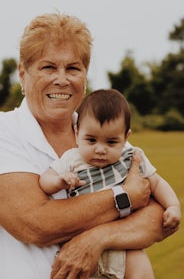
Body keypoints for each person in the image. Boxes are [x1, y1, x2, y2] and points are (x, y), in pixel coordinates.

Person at [0, 12, 180, 279]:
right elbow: (34, 223)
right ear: (22, 73)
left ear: (85, 77)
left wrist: (96, 239)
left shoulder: (100, 137)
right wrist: (124, 197)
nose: (62, 79)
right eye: (48, 67)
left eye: (73, 68)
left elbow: (157, 216)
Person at [40, 88, 181, 278]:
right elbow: (44, 180)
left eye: (111, 142)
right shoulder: (72, 160)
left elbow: (156, 183)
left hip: (124, 244)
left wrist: (172, 206)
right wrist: (59, 181)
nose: (100, 149)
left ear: (126, 138)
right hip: (80, 246)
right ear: (77, 132)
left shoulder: (131, 157)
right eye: (91, 140)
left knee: (142, 272)